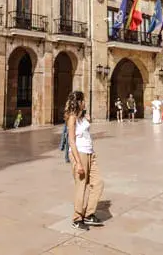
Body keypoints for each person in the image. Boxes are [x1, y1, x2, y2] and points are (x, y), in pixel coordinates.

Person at [65, 90, 104, 231]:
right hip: (79, 154)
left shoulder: (82, 117)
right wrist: (78, 163)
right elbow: (71, 141)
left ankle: (88, 214)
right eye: (83, 101)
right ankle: (77, 218)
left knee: (98, 183)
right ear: (79, 102)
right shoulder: (71, 118)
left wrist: (87, 118)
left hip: (89, 152)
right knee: (81, 187)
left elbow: (86, 132)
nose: (85, 103)